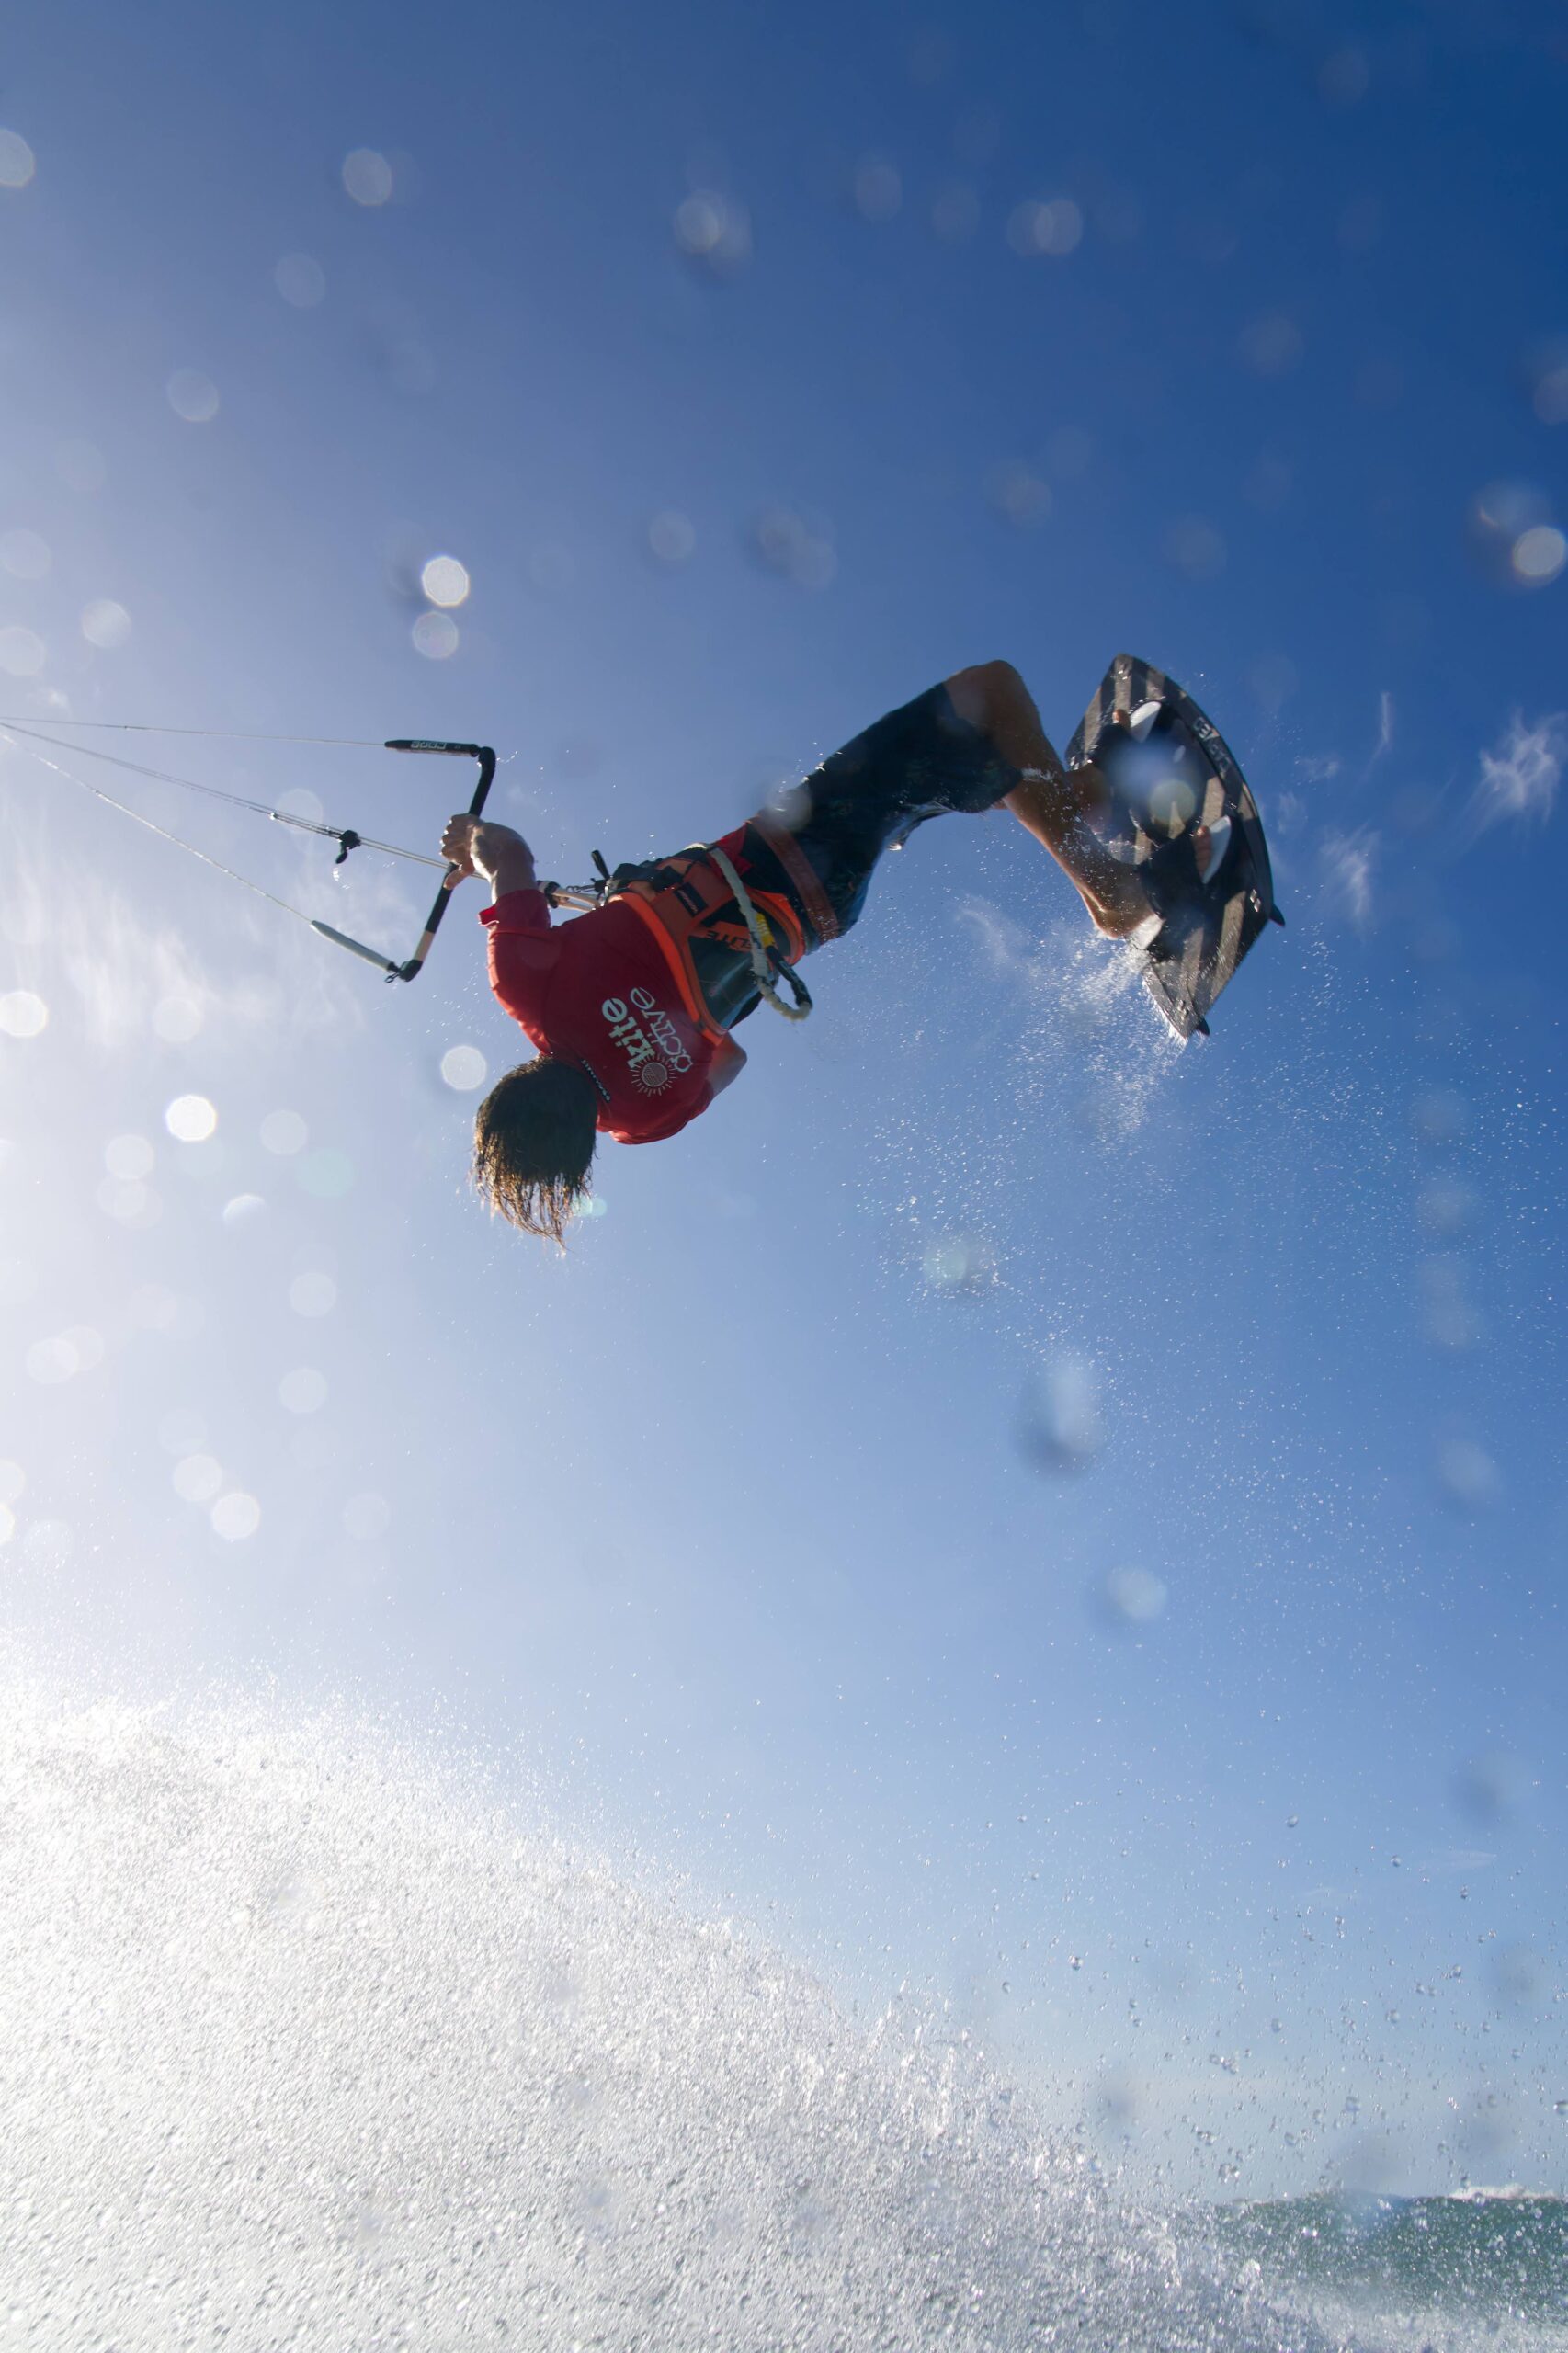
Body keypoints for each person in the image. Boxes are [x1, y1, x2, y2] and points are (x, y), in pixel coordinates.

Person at [439, 661, 1207, 1245]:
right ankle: (1109, 893)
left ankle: (1092, 793)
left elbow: (728, 1058)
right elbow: (510, 853)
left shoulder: (640, 1119)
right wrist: (470, 843)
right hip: (791, 845)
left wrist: (658, 980)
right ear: (509, 1090)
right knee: (988, 695)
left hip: (823, 913)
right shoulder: (525, 987)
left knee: (949, 771)